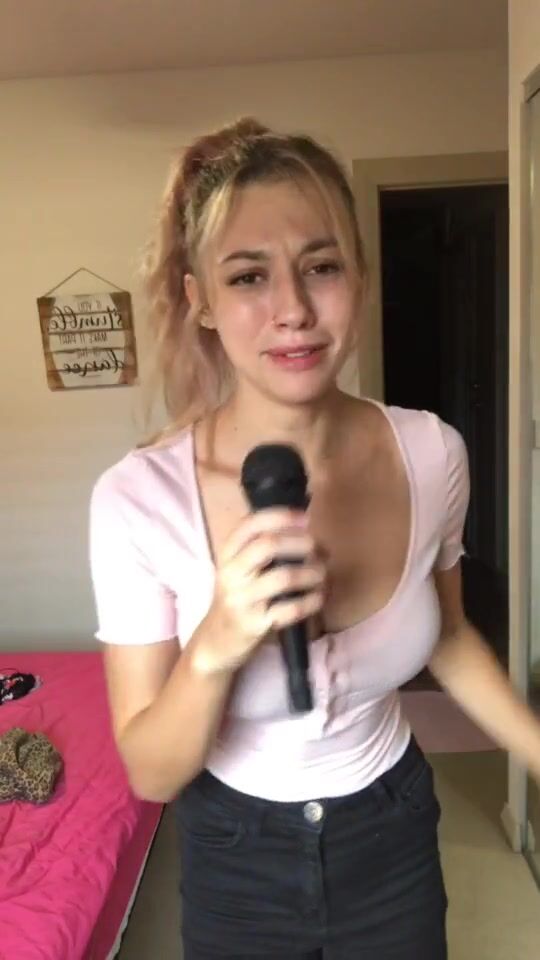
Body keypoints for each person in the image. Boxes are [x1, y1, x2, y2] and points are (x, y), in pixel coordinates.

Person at [89, 118, 540, 960]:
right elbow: (151, 770)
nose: (293, 310)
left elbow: (448, 637)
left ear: (359, 276)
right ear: (201, 300)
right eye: (248, 276)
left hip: (394, 830)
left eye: (322, 266)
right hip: (234, 854)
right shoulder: (138, 500)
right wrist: (217, 645)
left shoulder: (433, 453)